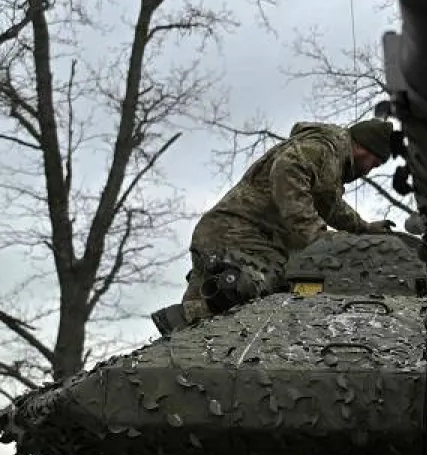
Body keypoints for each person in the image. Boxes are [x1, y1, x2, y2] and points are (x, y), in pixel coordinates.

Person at [158, 119, 397, 333]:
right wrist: (317, 238)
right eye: (373, 163)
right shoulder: (323, 148)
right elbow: (287, 168)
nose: (368, 170)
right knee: (277, 281)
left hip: (219, 234)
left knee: (197, 334)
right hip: (242, 235)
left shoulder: (329, 159)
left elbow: (331, 207)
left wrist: (365, 229)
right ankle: (190, 314)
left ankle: (182, 321)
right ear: (363, 148)